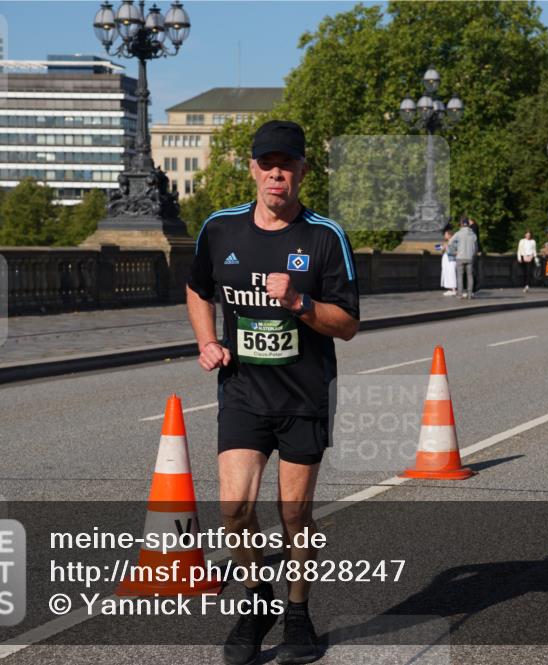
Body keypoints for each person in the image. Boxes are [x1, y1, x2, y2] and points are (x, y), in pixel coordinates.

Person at [186, 119, 360, 665]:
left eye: (287, 164)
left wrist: (301, 305)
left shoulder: (324, 237)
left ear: (303, 170)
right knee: (234, 508)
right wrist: (207, 340)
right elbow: (197, 288)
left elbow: (349, 323)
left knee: (294, 516)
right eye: (267, 164)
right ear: (253, 170)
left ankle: (299, 613)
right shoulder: (220, 229)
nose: (276, 174)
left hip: (304, 394)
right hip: (243, 391)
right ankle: (259, 601)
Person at [447, 217, 479, 299]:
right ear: (468, 225)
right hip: (470, 258)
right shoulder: (473, 234)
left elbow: (450, 242)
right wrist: (473, 255)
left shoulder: (458, 233)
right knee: (470, 276)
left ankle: (460, 294)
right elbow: (476, 247)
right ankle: (469, 294)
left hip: (460, 257)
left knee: (460, 276)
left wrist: (454, 251)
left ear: (461, 224)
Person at [440, 224, 457, 295]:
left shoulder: (454, 241)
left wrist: (446, 247)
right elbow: (439, 249)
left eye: (445, 234)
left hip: (451, 260)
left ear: (449, 235)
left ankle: (454, 289)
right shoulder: (447, 242)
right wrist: (443, 248)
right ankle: (450, 288)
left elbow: (454, 251)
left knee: (451, 273)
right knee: (447, 274)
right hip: (447, 261)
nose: (444, 235)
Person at [468, 217, 482, 293]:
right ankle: (475, 287)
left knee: (472, 270)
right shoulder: (475, 227)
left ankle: (474, 287)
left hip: (472, 252)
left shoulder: (472, 227)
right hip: (475, 250)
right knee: (474, 269)